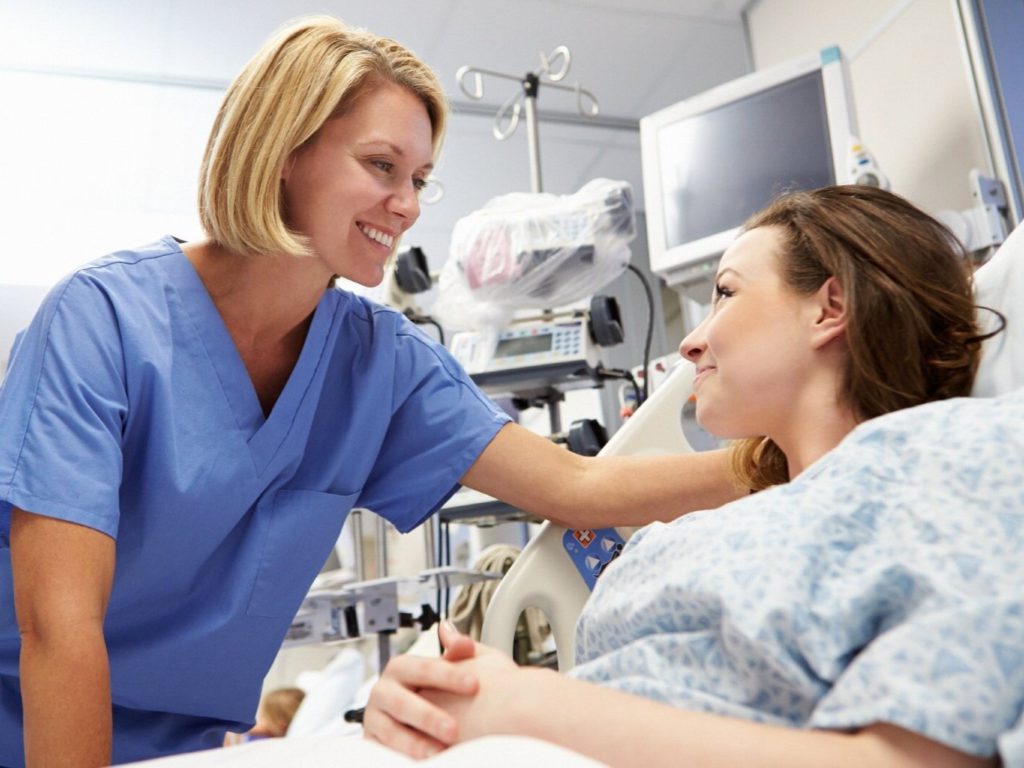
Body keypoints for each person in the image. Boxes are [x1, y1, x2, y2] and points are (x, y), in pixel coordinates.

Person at [0, 15, 738, 768]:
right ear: (284, 151)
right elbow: (58, 630)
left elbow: (577, 485)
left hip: (186, 748)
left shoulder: (380, 362)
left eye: (418, 180)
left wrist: (782, 460)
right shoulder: (101, 322)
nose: (409, 204)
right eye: (381, 166)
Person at [363, 186, 1022, 766]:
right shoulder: (691, 535)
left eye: (726, 293)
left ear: (830, 308)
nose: (690, 340)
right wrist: (448, 700)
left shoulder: (954, 457)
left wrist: (533, 709)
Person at [223, 687, 305, 745]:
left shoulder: (270, 744)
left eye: (264, 716)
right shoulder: (268, 733)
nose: (260, 719)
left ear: (281, 725)